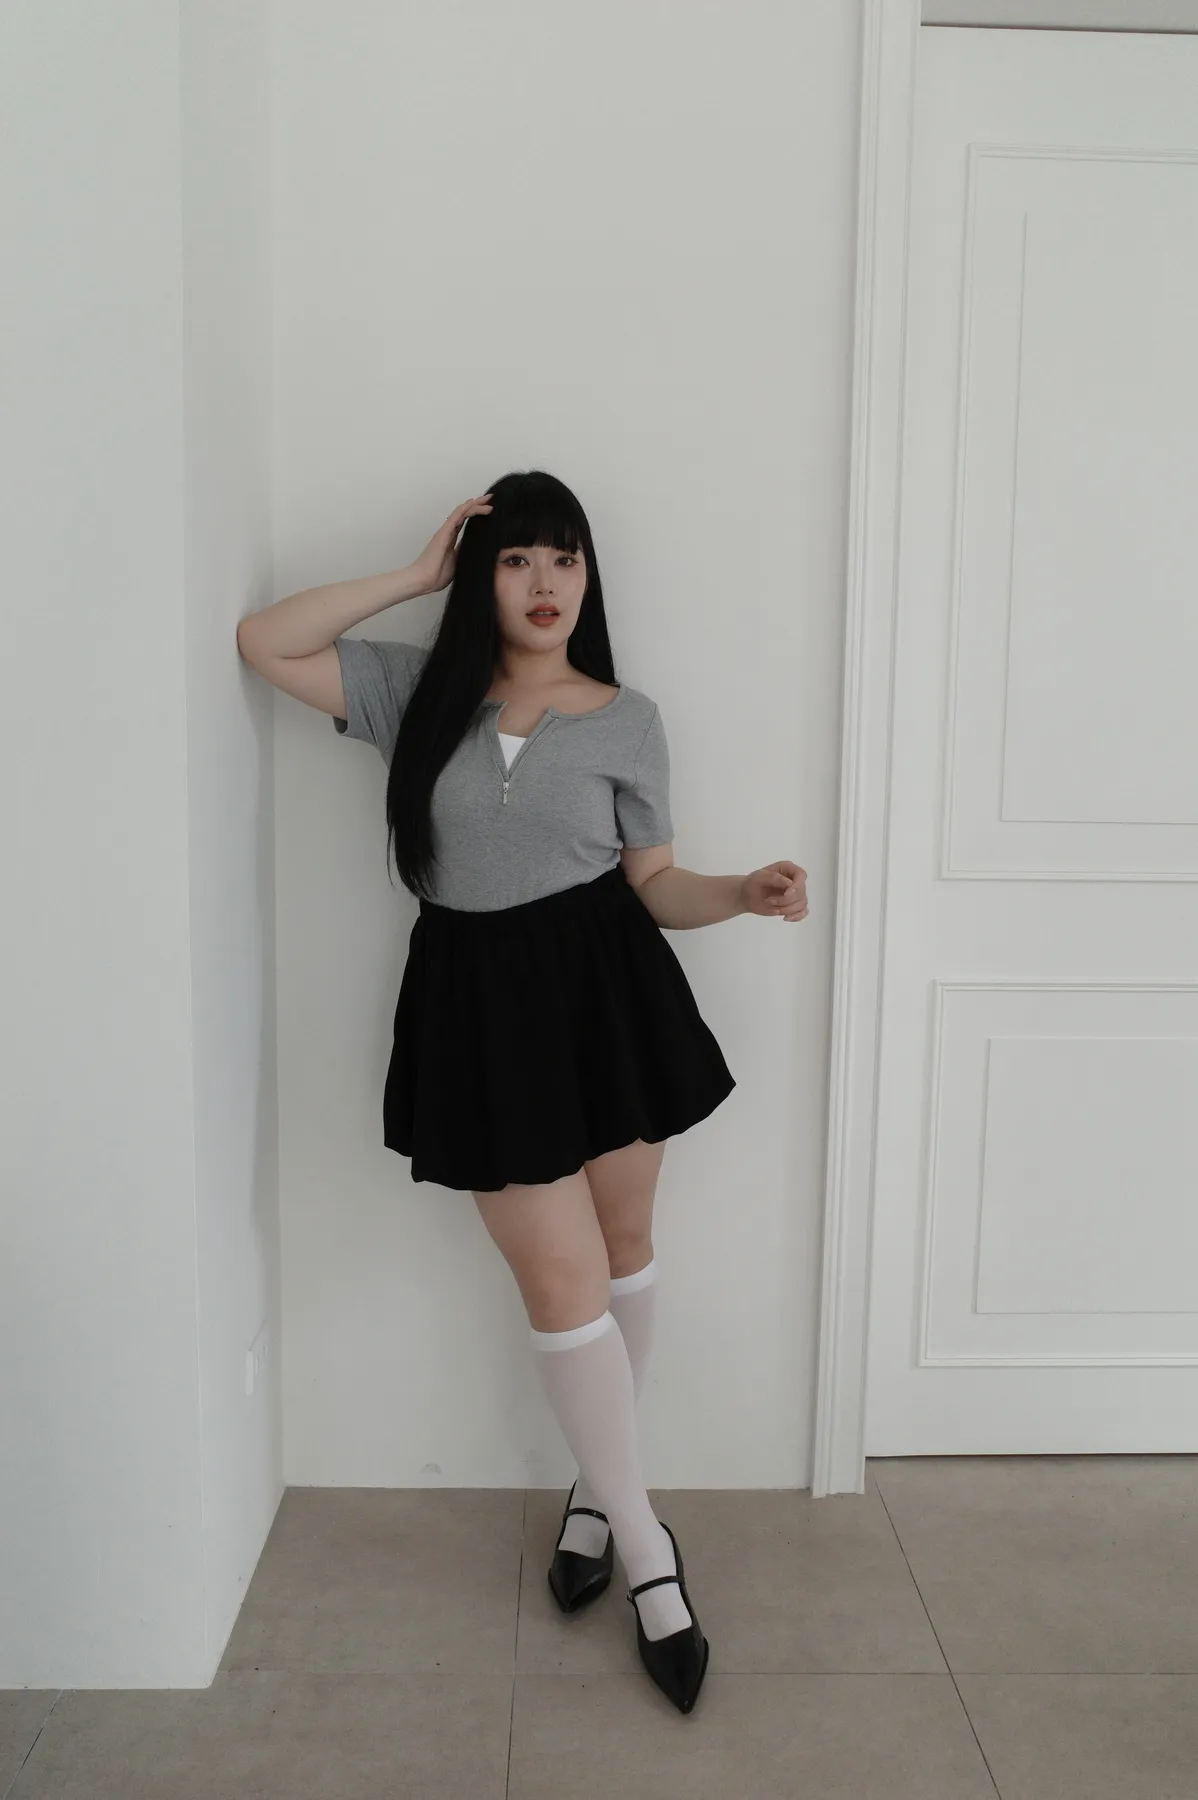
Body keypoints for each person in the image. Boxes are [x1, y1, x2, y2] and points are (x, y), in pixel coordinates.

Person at [236, 469, 809, 1714]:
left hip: (608, 990)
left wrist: (741, 893)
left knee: (623, 1249)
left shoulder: (627, 719)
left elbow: (654, 884)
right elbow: (264, 641)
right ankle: (649, 1549)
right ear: (480, 575)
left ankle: (596, 1496)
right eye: (517, 559)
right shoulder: (415, 693)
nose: (546, 584)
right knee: (559, 1284)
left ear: (590, 577)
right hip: (478, 1010)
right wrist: (413, 574)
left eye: (566, 559)